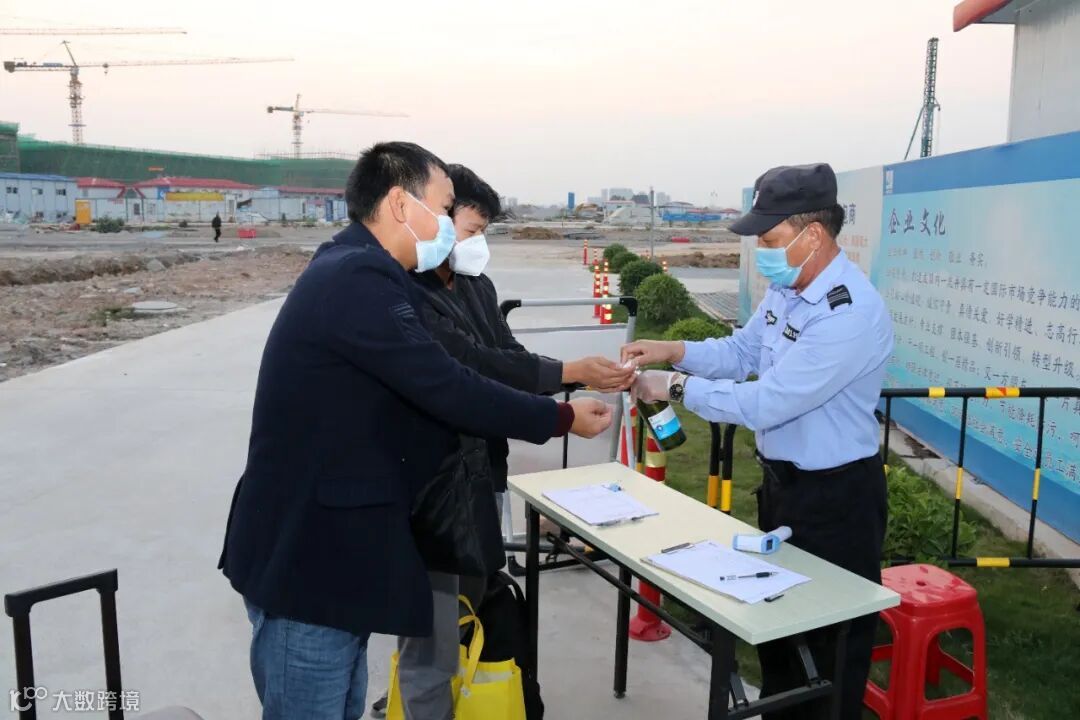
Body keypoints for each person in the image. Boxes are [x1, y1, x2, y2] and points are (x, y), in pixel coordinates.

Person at [218, 141, 613, 720]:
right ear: (402, 205)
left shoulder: (375, 274)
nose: (450, 227)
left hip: (338, 557)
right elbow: (448, 384)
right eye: (445, 208)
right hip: (308, 561)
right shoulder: (355, 279)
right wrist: (559, 417)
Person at [623, 163, 893, 720]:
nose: (762, 252)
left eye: (769, 240)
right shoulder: (788, 290)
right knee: (778, 640)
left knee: (829, 653)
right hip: (784, 492)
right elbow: (741, 353)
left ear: (812, 235)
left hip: (837, 502)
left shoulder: (848, 314)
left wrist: (675, 387)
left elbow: (768, 401)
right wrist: (673, 350)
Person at [385, 164, 634, 719]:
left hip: (482, 474)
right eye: (471, 229)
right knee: (435, 628)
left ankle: (445, 693)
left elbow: (509, 356)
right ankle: (422, 700)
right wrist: (564, 396)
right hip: (433, 490)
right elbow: (471, 368)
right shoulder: (407, 293)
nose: (478, 244)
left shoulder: (476, 285)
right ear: (436, 218)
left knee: (468, 603)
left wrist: (571, 378)